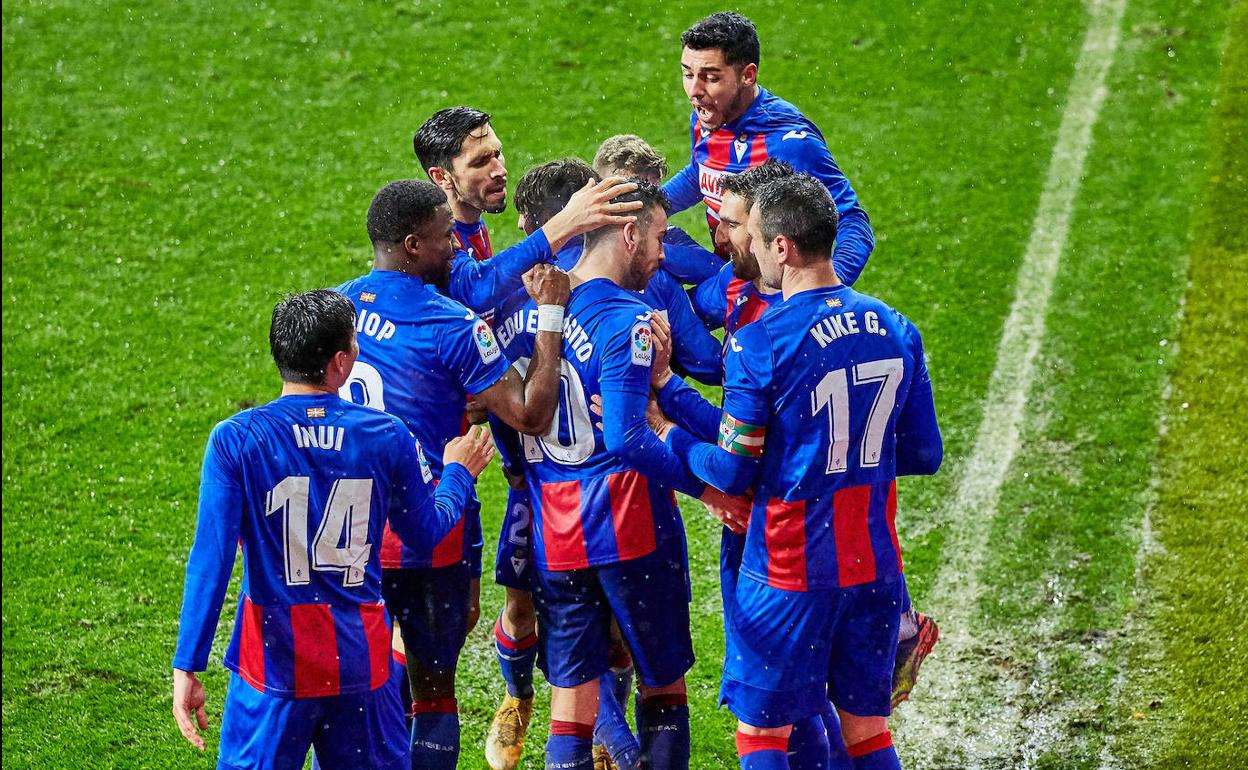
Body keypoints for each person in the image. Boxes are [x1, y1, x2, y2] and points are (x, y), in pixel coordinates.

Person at [654, 175, 942, 769]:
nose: (749, 250)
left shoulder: (761, 342)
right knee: (866, 730)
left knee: (761, 734)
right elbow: (923, 454)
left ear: (781, 246)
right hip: (875, 567)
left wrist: (668, 433)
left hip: (788, 569)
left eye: (754, 238)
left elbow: (733, 471)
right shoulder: (897, 327)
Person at [170, 289, 495, 769]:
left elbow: (211, 560)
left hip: (272, 667)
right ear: (341, 363)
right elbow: (427, 533)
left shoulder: (235, 440)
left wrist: (188, 664)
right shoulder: (386, 435)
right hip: (359, 662)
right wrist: (457, 475)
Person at [495, 180, 748, 770]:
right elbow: (629, 438)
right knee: (662, 686)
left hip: (556, 530)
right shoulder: (629, 321)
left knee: (573, 702)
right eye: (659, 237)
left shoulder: (530, 310)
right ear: (630, 234)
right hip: (630, 525)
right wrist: (709, 490)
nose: (663, 255)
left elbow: (508, 413)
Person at [335, 179, 571, 770]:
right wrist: (549, 319)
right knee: (435, 688)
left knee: (353, 685)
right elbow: (531, 415)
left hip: (344, 534)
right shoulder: (453, 324)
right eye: (447, 241)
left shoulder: (335, 309)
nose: (458, 253)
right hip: (428, 528)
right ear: (413, 245)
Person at [663, 11, 874, 285]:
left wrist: (825, 292)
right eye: (687, 74)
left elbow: (853, 220)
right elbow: (699, 172)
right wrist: (649, 206)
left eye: (711, 78)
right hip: (732, 279)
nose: (694, 90)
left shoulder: (791, 143)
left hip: (775, 297)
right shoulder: (707, 115)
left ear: (748, 75)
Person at [413, 106, 642, 316]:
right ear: (441, 176)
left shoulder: (471, 223)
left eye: (497, 153)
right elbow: (477, 290)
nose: (499, 170)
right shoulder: (433, 241)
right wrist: (566, 222)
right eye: (481, 162)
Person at [594, 134, 724, 286]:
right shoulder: (579, 242)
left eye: (652, 194)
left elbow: (719, 271)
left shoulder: (668, 239)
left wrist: (649, 247)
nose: (644, 205)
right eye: (631, 193)